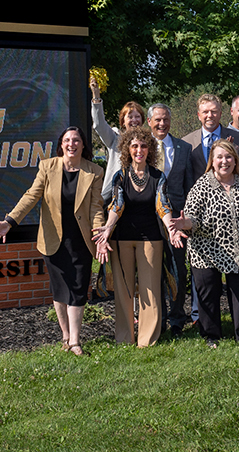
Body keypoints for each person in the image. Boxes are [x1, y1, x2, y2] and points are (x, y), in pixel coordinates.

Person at [0, 126, 106, 355]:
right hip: (53, 238)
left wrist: (99, 234)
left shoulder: (94, 171)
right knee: (61, 288)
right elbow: (31, 196)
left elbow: (95, 207)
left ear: (83, 145)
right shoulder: (47, 166)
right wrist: (10, 221)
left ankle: (75, 341)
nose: (71, 144)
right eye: (67, 140)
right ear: (61, 144)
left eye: (76, 140)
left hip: (80, 239)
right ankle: (65, 335)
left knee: (78, 287)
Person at [168, 139, 239, 348]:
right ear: (212, 161)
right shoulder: (201, 186)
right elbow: (193, 219)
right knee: (208, 295)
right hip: (207, 250)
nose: (224, 161)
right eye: (220, 157)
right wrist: (184, 223)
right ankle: (211, 336)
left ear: (235, 160)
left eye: (228, 157)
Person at [92, 126, 173, 347]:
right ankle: (124, 338)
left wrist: (171, 226)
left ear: (150, 150)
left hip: (151, 238)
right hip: (122, 239)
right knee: (123, 289)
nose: (139, 150)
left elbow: (162, 205)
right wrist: (108, 228)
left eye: (144, 146)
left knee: (150, 290)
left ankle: (147, 340)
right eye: (135, 145)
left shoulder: (158, 176)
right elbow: (116, 205)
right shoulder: (120, 176)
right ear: (128, 149)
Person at [147, 103, 197, 334]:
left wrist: (186, 216)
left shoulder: (184, 148)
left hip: (176, 219)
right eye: (157, 120)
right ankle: (157, 319)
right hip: (148, 219)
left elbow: (188, 186)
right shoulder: (141, 148)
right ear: (149, 122)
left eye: (166, 119)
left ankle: (177, 320)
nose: (162, 124)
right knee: (152, 269)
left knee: (178, 269)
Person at [89, 79, 146, 202]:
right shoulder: (115, 138)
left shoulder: (148, 142)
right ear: (123, 121)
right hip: (114, 194)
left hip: (139, 195)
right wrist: (96, 97)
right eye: (130, 117)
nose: (134, 120)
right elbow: (99, 125)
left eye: (137, 116)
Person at [184, 93, 239, 176]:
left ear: (220, 114)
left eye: (214, 111)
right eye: (205, 112)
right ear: (199, 115)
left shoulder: (238, 139)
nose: (210, 115)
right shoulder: (187, 142)